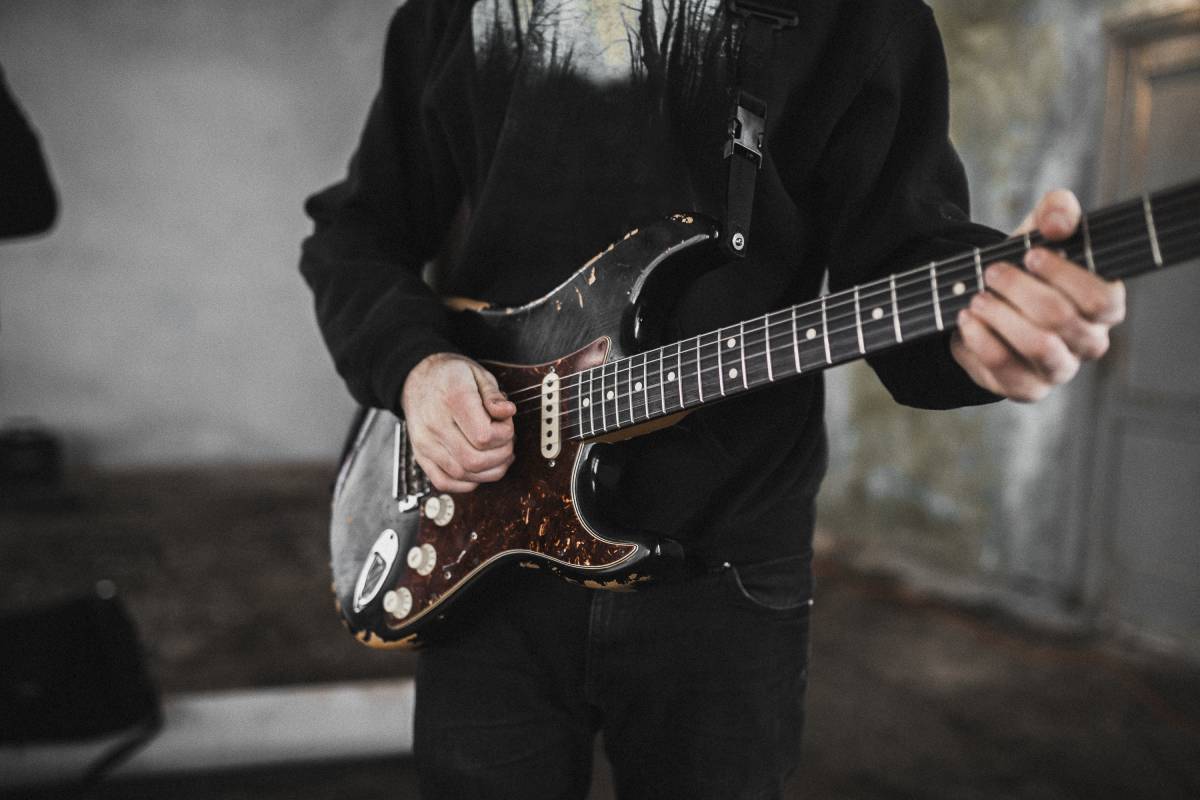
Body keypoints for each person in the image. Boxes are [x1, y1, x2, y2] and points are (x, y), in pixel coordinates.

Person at [300, 2, 1124, 797]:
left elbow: (903, 260)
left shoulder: (857, 14)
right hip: (480, 538)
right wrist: (415, 365)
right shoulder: (456, 12)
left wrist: (979, 335)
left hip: (725, 565)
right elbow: (357, 231)